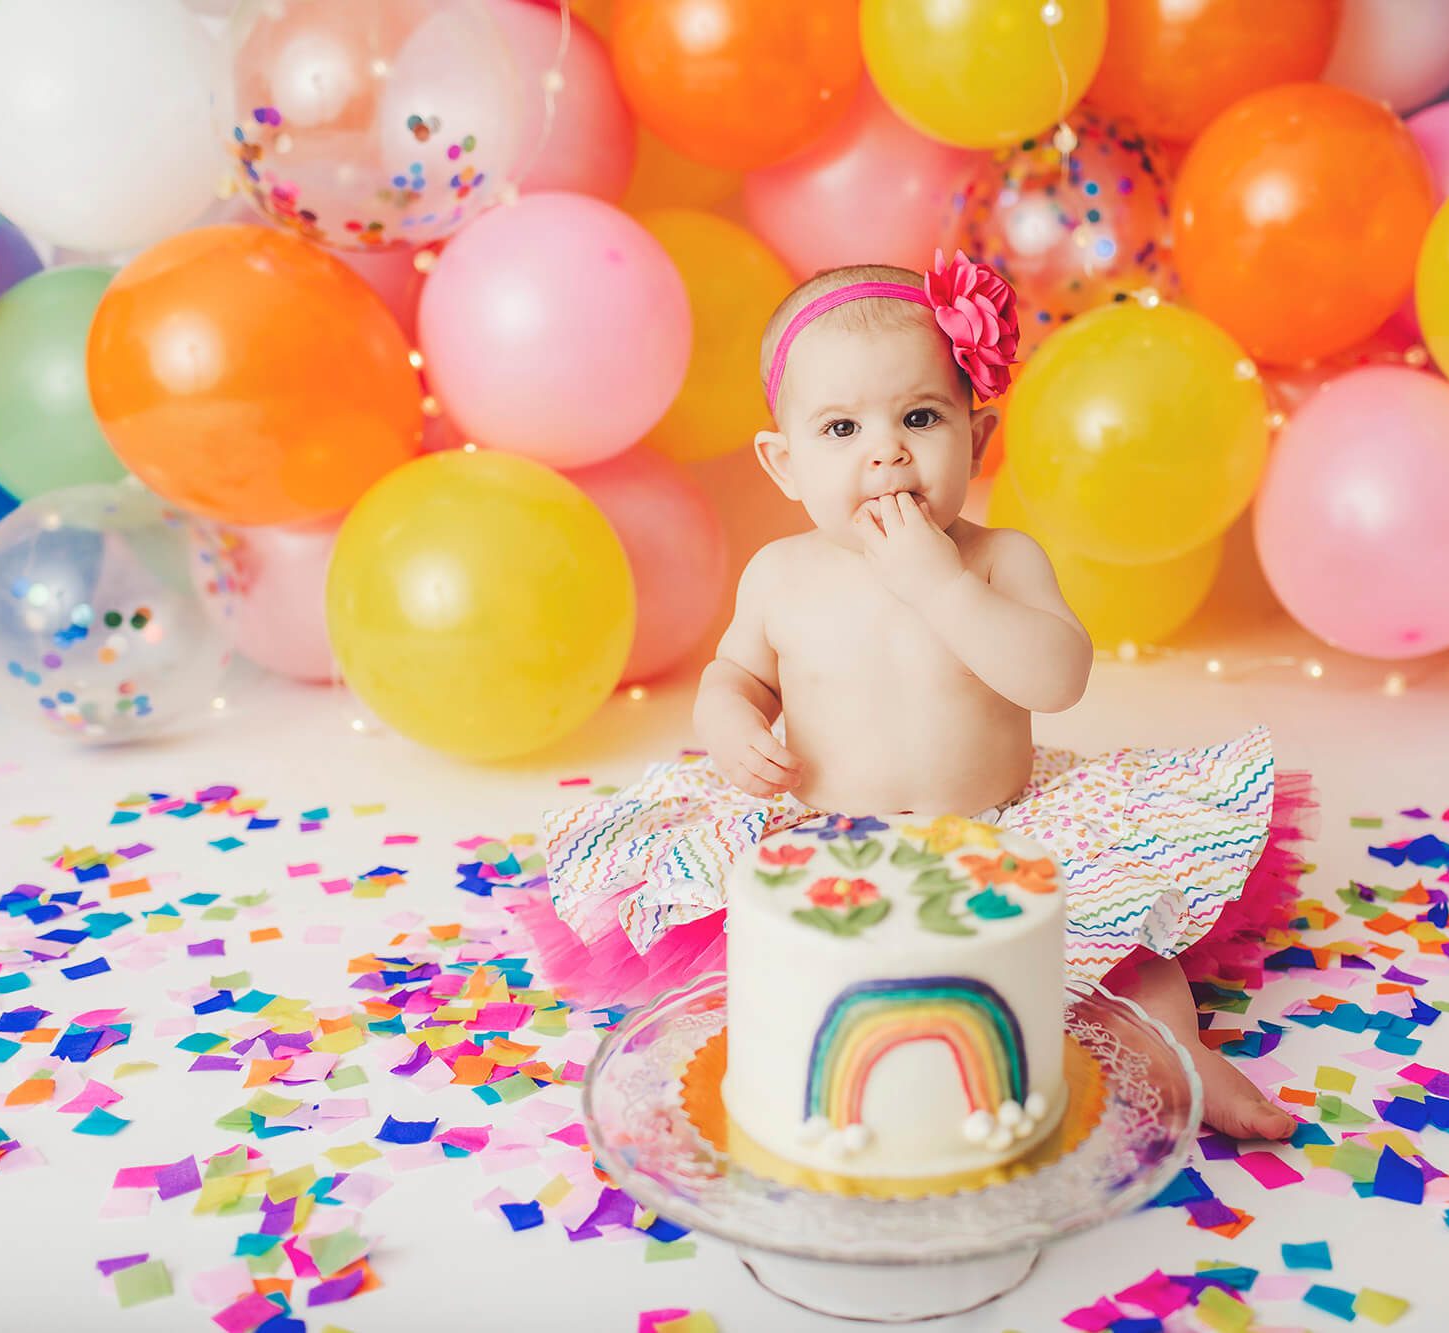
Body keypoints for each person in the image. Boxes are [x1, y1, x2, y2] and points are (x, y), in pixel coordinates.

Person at [514, 253, 1312, 1141]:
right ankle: (823, 1089)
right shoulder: (781, 575)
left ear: (977, 436)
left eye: (920, 417)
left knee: (1129, 956)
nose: (885, 450)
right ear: (784, 463)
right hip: (828, 844)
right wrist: (732, 722)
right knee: (777, 970)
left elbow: (1059, 676)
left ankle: (1178, 1054)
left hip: (1005, 826)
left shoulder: (1001, 559)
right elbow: (734, 676)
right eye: (842, 428)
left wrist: (941, 587)